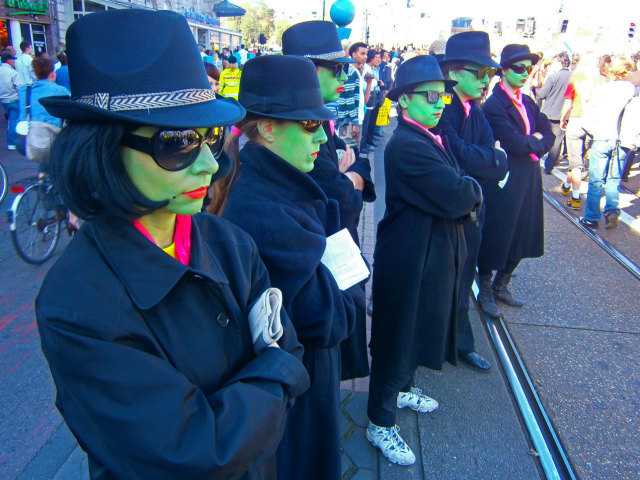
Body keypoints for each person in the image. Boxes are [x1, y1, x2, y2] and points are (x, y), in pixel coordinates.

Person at [35, 11, 309, 480]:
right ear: (102, 149)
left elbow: (288, 342)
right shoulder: (76, 308)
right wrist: (278, 374)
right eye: (178, 140)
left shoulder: (229, 242)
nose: (210, 164)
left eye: (212, 136)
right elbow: (194, 454)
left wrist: (267, 377)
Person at [215, 55, 356, 480]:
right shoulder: (266, 209)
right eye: (310, 125)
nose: (322, 138)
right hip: (299, 383)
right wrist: (351, 283)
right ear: (269, 128)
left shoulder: (267, 183)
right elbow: (331, 320)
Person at [367, 55, 483, 466]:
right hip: (408, 257)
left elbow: (457, 193)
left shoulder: (427, 137)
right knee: (397, 335)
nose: (440, 103)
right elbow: (458, 195)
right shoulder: (407, 144)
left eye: (444, 96)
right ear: (404, 102)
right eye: (431, 96)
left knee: (416, 327)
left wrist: (464, 195)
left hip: (427, 253)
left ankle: (403, 389)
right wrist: (470, 195)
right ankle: (380, 421)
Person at [282, 20, 376, 380]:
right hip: (321, 264)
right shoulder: (303, 126)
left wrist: (348, 175)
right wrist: (349, 177)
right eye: (335, 67)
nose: (344, 75)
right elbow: (336, 199)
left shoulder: (322, 121)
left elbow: (353, 168)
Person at [438, 31, 509, 373]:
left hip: (472, 213)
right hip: (445, 215)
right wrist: (489, 159)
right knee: (439, 280)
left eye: (490, 74)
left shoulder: (474, 111)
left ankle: (460, 343)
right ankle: (430, 344)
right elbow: (456, 155)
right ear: (454, 73)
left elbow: (489, 154)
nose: (487, 80)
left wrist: (488, 159)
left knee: (465, 279)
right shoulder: (441, 107)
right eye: (481, 73)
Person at [478, 44, 554, 317]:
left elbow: (548, 132)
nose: (525, 74)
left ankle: (502, 283)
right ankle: (485, 285)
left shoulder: (528, 100)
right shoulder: (495, 104)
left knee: (525, 230)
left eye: (529, 69)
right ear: (505, 71)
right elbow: (513, 141)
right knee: (499, 230)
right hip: (507, 176)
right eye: (519, 68)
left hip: (529, 175)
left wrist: (535, 142)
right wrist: (534, 142)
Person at [579, 56, 637, 229]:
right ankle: (612, 211)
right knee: (614, 179)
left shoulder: (603, 90)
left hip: (602, 137)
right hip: (623, 141)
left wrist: (593, 132)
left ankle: (591, 217)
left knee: (596, 181)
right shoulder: (634, 91)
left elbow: (588, 116)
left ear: (613, 70)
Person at [18, 56, 70, 161]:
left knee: (44, 160)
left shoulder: (24, 89)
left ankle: (42, 175)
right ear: (52, 74)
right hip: (48, 140)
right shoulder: (59, 90)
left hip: (25, 141)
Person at [538, 52, 572, 174]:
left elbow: (542, 95)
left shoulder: (553, 77)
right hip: (564, 114)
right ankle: (549, 167)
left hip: (548, 112)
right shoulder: (574, 78)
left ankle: (535, 157)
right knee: (557, 142)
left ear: (558, 62)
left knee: (541, 136)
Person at [0, 51, 21, 150]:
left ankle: (13, 138)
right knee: (14, 119)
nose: (14, 62)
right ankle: (12, 142)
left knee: (11, 119)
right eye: (13, 60)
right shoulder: (13, 73)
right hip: (13, 98)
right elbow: (19, 87)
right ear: (9, 60)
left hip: (3, 100)